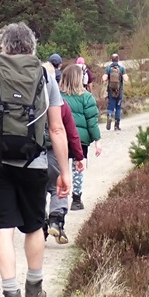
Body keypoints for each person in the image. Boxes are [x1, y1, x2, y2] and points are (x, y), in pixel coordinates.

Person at [0, 22, 71, 297]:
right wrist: (64, 171)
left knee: (3, 228)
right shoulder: (46, 77)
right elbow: (56, 128)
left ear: (3, 46)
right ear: (32, 47)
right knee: (34, 226)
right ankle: (34, 290)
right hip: (34, 163)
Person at [45, 88, 85, 244]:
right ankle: (56, 220)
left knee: (37, 190)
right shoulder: (60, 103)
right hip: (54, 153)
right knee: (58, 186)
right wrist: (79, 156)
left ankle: (40, 225)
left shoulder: (29, 100)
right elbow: (72, 132)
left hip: (33, 154)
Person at [60, 63, 102, 212]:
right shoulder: (87, 97)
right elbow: (92, 122)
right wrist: (97, 140)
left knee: (61, 167)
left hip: (61, 138)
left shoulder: (57, 97)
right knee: (78, 167)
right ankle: (76, 199)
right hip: (80, 140)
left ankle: (59, 198)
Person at [102, 53, 130, 131]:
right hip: (119, 91)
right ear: (118, 60)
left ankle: (110, 116)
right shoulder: (121, 68)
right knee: (118, 107)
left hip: (111, 91)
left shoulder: (108, 68)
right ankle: (116, 125)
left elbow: (104, 79)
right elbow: (126, 79)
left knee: (111, 106)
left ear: (111, 60)